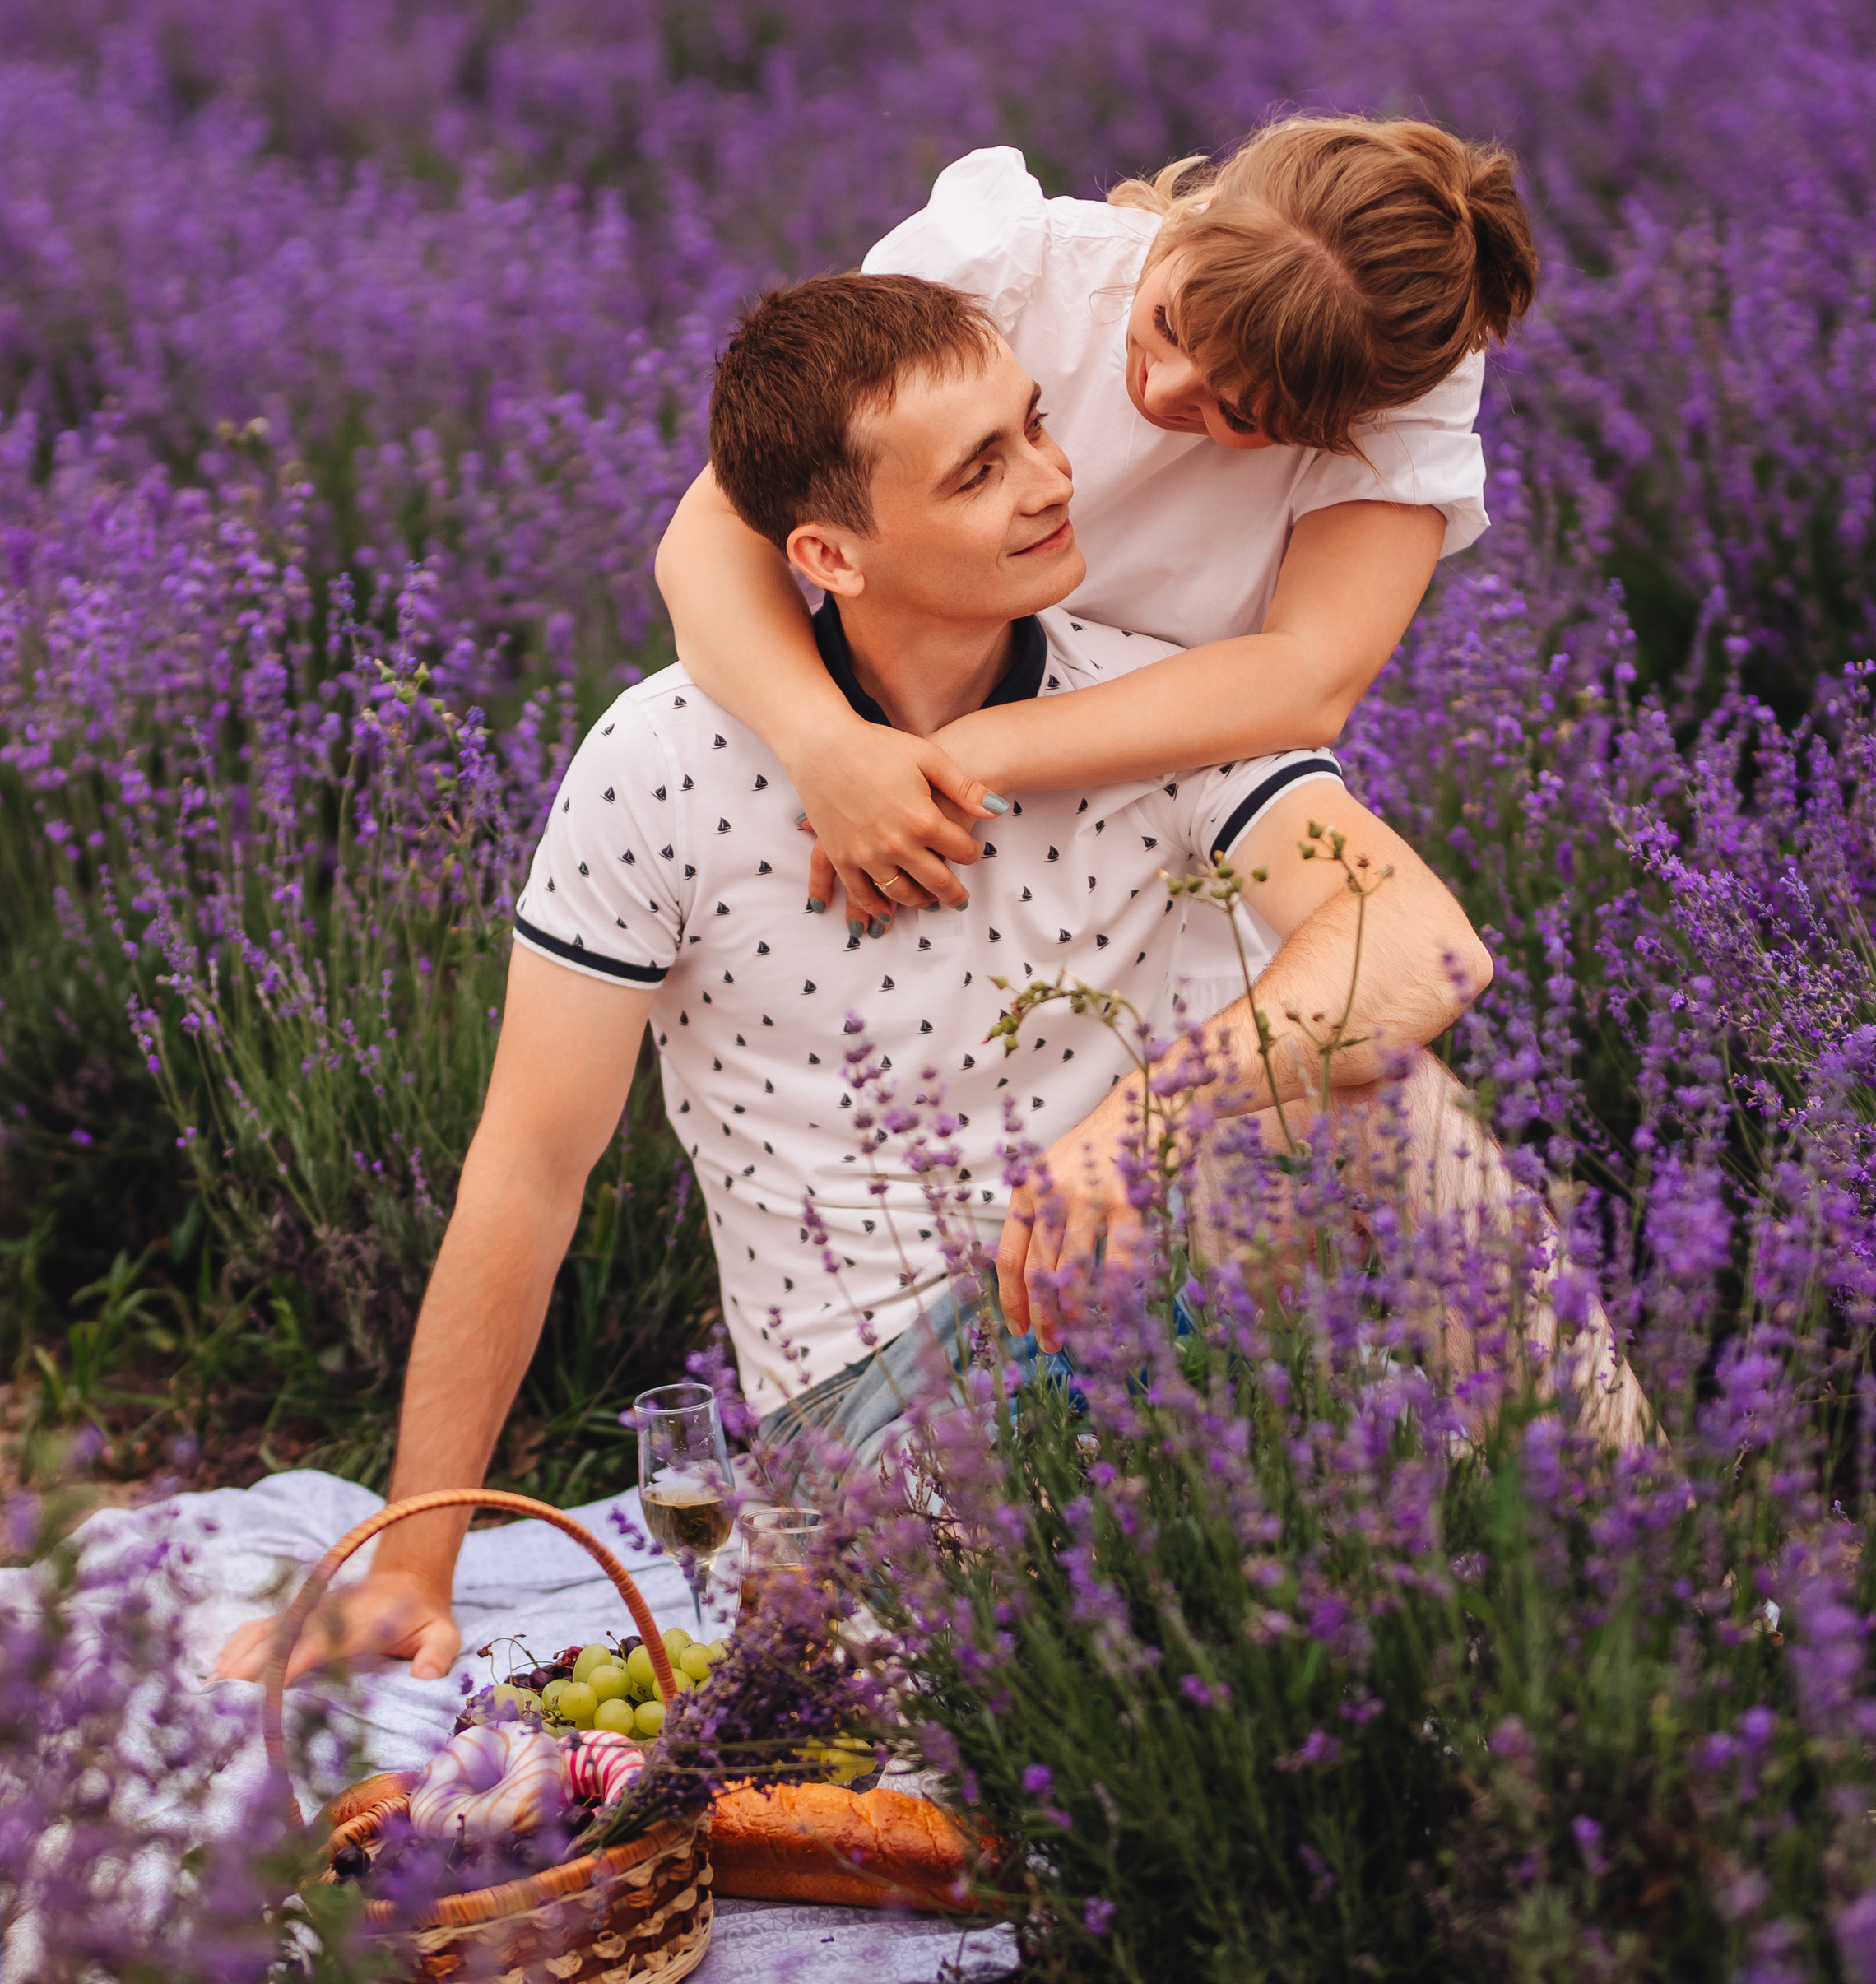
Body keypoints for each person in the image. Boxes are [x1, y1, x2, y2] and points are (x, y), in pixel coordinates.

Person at [216, 269, 1512, 1690]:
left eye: (1032, 426)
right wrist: (414, 1561)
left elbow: (1424, 943)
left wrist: (1140, 1123)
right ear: (830, 557)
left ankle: (1612, 1537)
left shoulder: (1147, 698)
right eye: (982, 471)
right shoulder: (662, 763)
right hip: (878, 1394)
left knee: (1391, 1106)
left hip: (1137, 1290)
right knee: (1148, 1646)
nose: (1054, 480)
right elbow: (530, 1164)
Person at [654, 117, 1526, 927]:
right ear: (1201, 213)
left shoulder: (1391, 399)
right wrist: (830, 747)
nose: (1164, 390)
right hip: (871, 754)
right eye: (1168, 325)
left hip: (1159, 834)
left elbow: (1306, 678)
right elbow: (724, 522)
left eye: (1241, 414)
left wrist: (966, 752)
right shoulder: (1019, 265)